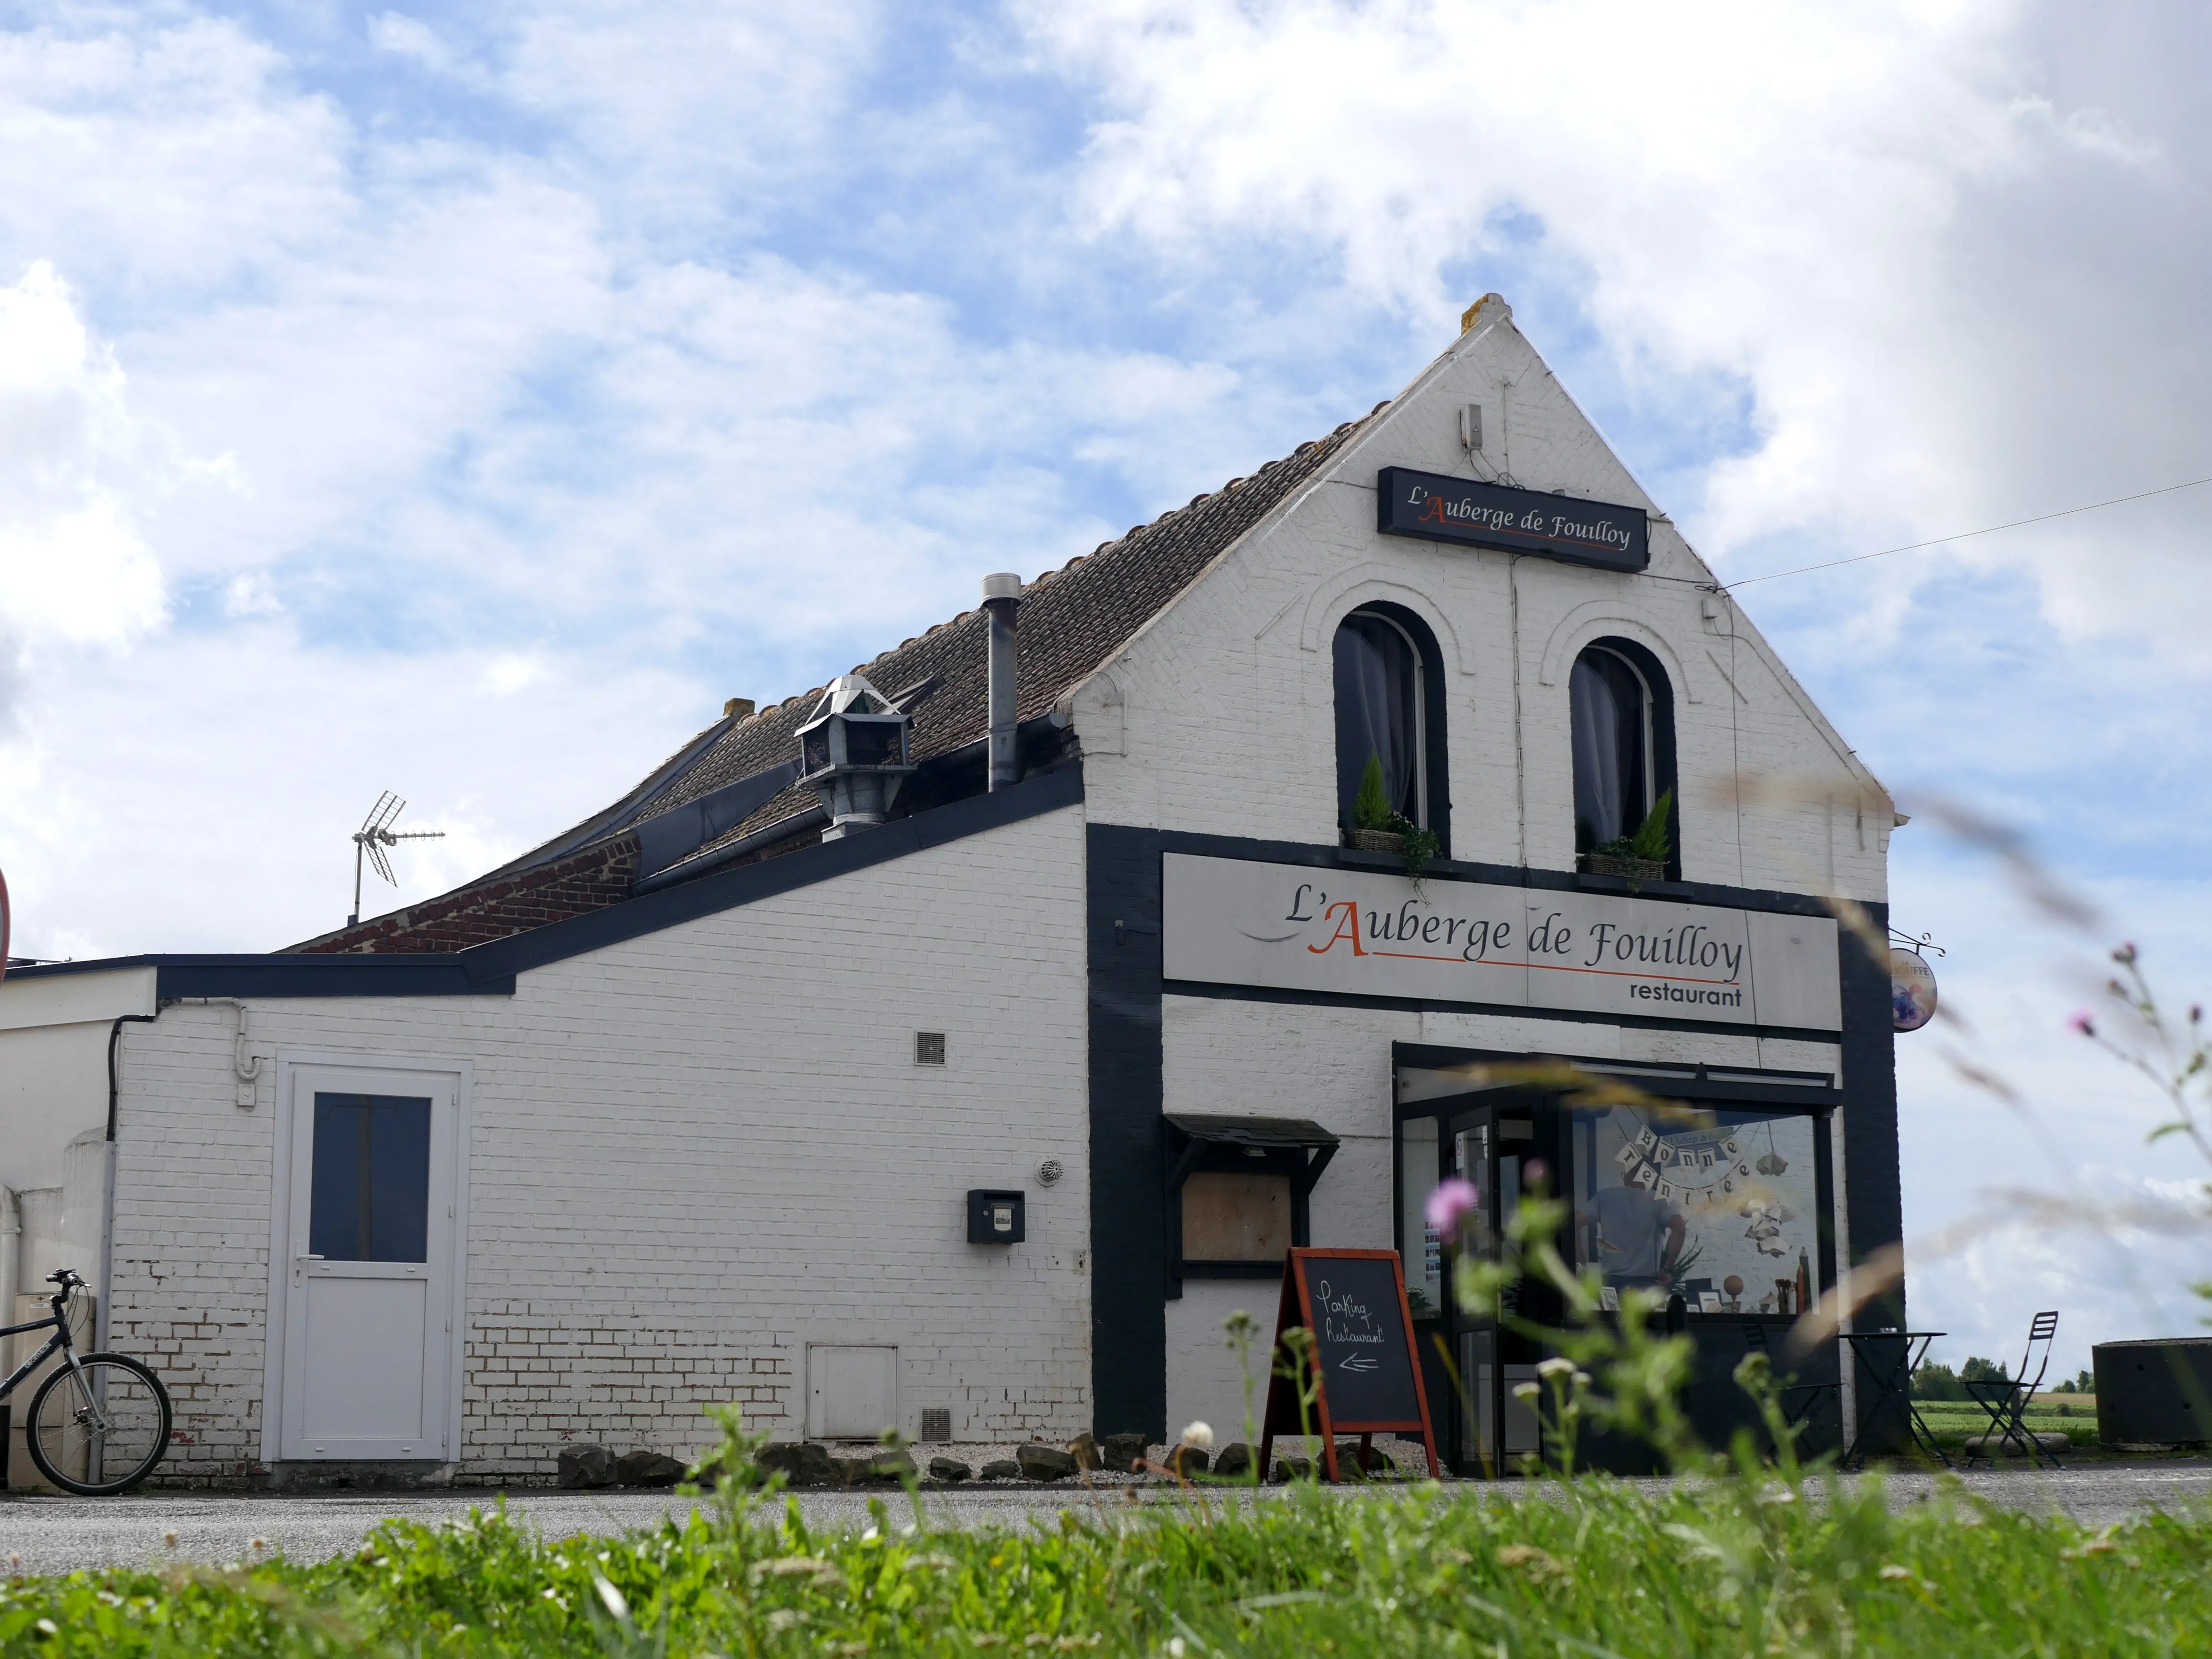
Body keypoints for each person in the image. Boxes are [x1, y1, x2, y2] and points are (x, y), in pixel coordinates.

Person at [1585, 1167, 1686, 1293]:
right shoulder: (1662, 1201)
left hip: (1610, 1285)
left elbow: (1575, 1222)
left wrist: (1581, 1265)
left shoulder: (1605, 1196)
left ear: (1630, 1176)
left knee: (1611, 1313)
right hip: (1645, 1285)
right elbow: (1680, 1229)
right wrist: (1667, 1270)